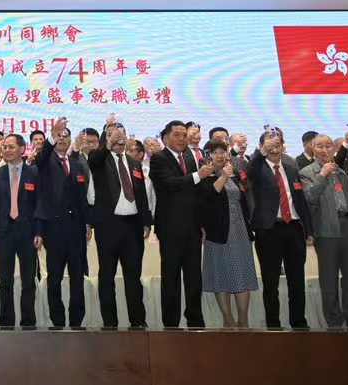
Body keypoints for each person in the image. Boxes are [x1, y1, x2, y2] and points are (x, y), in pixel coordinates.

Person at [149, 119, 214, 328]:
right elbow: (168, 184)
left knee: (194, 277)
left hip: (192, 227)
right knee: (171, 277)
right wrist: (197, 176)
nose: (181, 139)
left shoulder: (188, 157)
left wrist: (201, 222)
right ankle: (171, 324)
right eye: (176, 134)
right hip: (170, 228)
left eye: (184, 135)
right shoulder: (158, 158)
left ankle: (195, 321)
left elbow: (196, 193)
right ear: (165, 137)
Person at [246, 129, 311, 329]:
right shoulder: (257, 168)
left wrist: (309, 230)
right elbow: (249, 169)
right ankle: (273, 325)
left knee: (297, 281)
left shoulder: (291, 168)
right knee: (271, 281)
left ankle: (299, 323)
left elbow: (301, 201)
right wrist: (262, 152)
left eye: (278, 144)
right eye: (269, 145)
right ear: (261, 147)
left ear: (283, 147)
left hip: (294, 228)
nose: (274, 148)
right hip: (269, 230)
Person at [88, 123, 152, 329]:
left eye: (120, 134)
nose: (117, 138)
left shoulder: (134, 163)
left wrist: (146, 221)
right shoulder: (100, 159)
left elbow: (141, 194)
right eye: (111, 135)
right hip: (109, 225)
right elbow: (93, 160)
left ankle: (138, 321)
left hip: (132, 226)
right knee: (107, 275)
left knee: (133, 276)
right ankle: (110, 323)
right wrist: (108, 144)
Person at [300, 134, 348, 329]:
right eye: (320, 146)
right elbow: (310, 197)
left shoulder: (342, 172)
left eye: (328, 146)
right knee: (329, 280)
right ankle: (334, 322)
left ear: (334, 149)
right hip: (326, 229)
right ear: (312, 149)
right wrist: (322, 175)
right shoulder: (306, 172)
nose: (325, 150)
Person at [35, 117, 91, 328]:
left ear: (70, 141)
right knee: (55, 277)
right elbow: (41, 156)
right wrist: (52, 133)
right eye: (58, 136)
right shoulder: (45, 161)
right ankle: (57, 321)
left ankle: (77, 321)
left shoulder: (76, 163)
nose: (62, 138)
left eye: (65, 136)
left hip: (76, 228)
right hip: (54, 228)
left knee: (77, 277)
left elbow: (82, 196)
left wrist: (87, 223)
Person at [198, 140, 256, 329]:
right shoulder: (205, 176)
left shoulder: (235, 175)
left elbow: (244, 201)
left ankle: (243, 320)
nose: (220, 155)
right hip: (218, 233)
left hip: (240, 231)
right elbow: (209, 196)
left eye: (223, 151)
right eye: (215, 152)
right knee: (220, 275)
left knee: (242, 274)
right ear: (208, 156)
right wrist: (223, 176)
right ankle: (228, 319)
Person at [0, 133, 39, 328]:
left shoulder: (33, 173)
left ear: (22, 149)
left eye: (11, 147)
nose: (6, 150)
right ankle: (6, 321)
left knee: (28, 281)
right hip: (4, 233)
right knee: (5, 281)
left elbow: (38, 204)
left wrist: (39, 232)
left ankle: (28, 321)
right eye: (4, 147)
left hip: (28, 233)